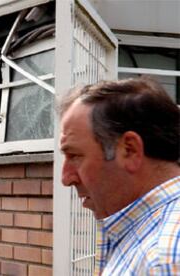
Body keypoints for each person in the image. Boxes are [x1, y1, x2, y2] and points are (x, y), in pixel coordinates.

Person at [59, 77, 180, 275]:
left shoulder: (163, 260)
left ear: (130, 150)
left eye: (75, 156)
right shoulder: (147, 237)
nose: (66, 178)